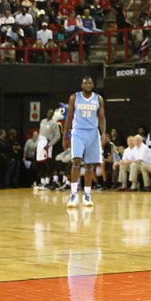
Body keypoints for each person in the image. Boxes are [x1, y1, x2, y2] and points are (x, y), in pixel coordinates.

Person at [63, 76, 105, 208]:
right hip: (78, 132)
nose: (87, 84)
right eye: (85, 83)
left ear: (93, 85)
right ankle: (73, 194)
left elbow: (102, 117)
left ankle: (87, 195)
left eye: (90, 82)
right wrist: (65, 135)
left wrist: (103, 133)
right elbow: (69, 117)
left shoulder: (98, 99)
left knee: (89, 165)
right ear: (81, 85)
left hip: (93, 132)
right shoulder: (74, 97)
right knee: (76, 160)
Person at [34, 107, 62, 191]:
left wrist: (49, 144)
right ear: (46, 113)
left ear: (53, 114)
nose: (49, 114)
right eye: (48, 113)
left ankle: (48, 182)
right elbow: (39, 133)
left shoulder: (54, 123)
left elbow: (57, 136)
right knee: (40, 163)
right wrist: (36, 144)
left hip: (47, 144)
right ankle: (42, 182)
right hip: (40, 144)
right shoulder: (42, 121)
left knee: (48, 164)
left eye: (51, 113)